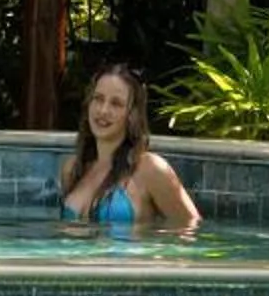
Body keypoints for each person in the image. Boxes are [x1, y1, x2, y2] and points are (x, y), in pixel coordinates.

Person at [57, 63, 200, 231]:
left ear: (132, 115)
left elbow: (191, 231)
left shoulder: (150, 169)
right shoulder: (72, 170)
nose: (103, 110)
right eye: (98, 99)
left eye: (116, 104)